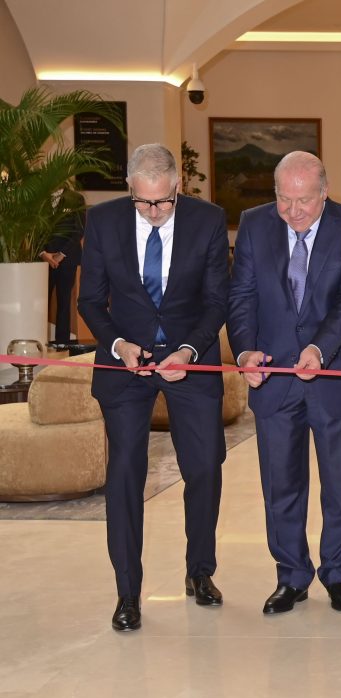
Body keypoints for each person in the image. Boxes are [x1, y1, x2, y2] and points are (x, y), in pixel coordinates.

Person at [77, 143, 229, 632]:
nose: (154, 211)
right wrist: (119, 344)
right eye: (143, 201)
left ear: (178, 186)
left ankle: (199, 571)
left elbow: (217, 300)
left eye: (163, 200)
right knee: (124, 472)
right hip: (126, 364)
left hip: (190, 359)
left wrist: (188, 350)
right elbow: (90, 300)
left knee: (204, 467)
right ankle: (127, 592)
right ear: (130, 189)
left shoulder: (207, 221)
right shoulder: (104, 222)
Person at [228, 151, 341, 615]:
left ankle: (338, 573)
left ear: (324, 192)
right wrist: (244, 352)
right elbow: (241, 295)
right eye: (284, 200)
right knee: (281, 485)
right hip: (273, 377)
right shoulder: (254, 225)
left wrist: (319, 348)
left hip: (333, 374)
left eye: (304, 201)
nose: (293, 212)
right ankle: (291, 575)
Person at [41, 188, 86, 347]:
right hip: (43, 259)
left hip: (67, 258)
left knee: (64, 300)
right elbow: (34, 229)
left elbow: (79, 229)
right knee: (41, 302)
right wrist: (43, 253)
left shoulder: (76, 198)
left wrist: (61, 254)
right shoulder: (39, 196)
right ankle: (40, 340)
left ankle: (62, 343)